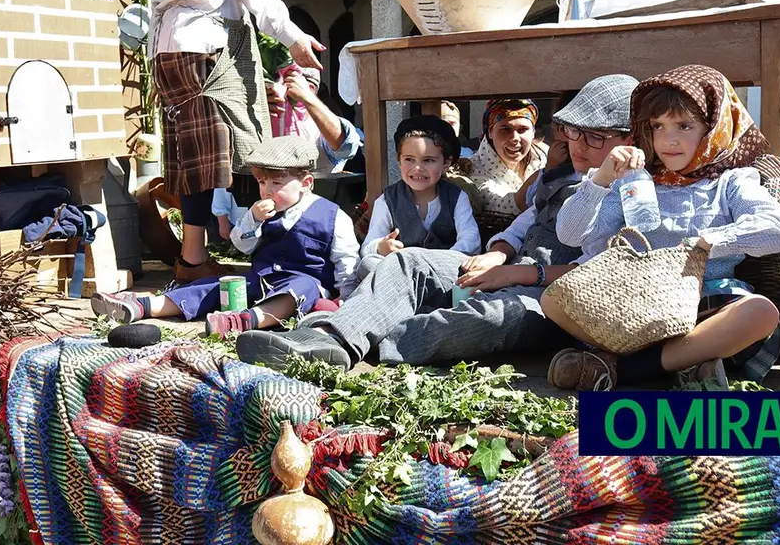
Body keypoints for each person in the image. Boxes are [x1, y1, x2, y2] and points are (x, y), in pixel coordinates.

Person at [235, 74, 639, 370]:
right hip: (512, 267)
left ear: (629, 137)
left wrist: (520, 274)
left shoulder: (635, 192)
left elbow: (596, 271)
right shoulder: (567, 173)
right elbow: (526, 221)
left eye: (595, 137)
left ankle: (362, 337)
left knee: (493, 318)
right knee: (408, 262)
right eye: (573, 133)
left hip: (553, 297)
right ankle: (330, 338)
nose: (579, 145)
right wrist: (499, 254)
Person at [544, 64, 780, 391]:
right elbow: (570, 235)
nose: (668, 140)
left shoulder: (729, 182)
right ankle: (685, 366)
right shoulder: (635, 180)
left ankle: (617, 368)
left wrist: (711, 240)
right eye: (658, 126)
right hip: (636, 306)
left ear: (713, 127)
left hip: (705, 305)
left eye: (684, 126)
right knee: (552, 301)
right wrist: (601, 179)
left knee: (760, 312)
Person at [149, 0, 325, 282]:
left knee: (195, 156)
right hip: (206, 41)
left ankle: (193, 259)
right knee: (242, 146)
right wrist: (292, 35)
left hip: (166, 46)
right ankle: (273, 247)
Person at [91, 136, 359, 337]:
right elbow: (241, 245)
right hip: (261, 278)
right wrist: (253, 219)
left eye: (276, 183)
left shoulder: (333, 216)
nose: (267, 191)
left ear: (306, 183)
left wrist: (345, 297)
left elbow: (346, 261)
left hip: (306, 283)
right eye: (262, 183)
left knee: (300, 290)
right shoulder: (261, 211)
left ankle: (244, 320)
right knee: (214, 285)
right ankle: (144, 305)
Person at [357, 115, 479, 280]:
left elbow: (471, 239)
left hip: (442, 272)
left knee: (470, 265)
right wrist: (381, 246)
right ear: (399, 161)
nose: (417, 168)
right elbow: (367, 247)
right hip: (402, 274)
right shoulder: (387, 200)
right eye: (409, 159)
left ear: (445, 163)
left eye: (428, 160)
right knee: (368, 265)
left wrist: (444, 260)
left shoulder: (457, 197)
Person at [455, 98, 548, 218]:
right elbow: (510, 205)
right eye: (505, 129)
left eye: (522, 130)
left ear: (533, 132)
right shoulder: (474, 170)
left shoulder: (543, 154)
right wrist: (548, 171)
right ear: (490, 132)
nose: (515, 138)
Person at [269, 64, 362, 173]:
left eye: (284, 82)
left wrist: (308, 98)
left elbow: (346, 147)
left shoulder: (320, 131)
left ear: (310, 89)